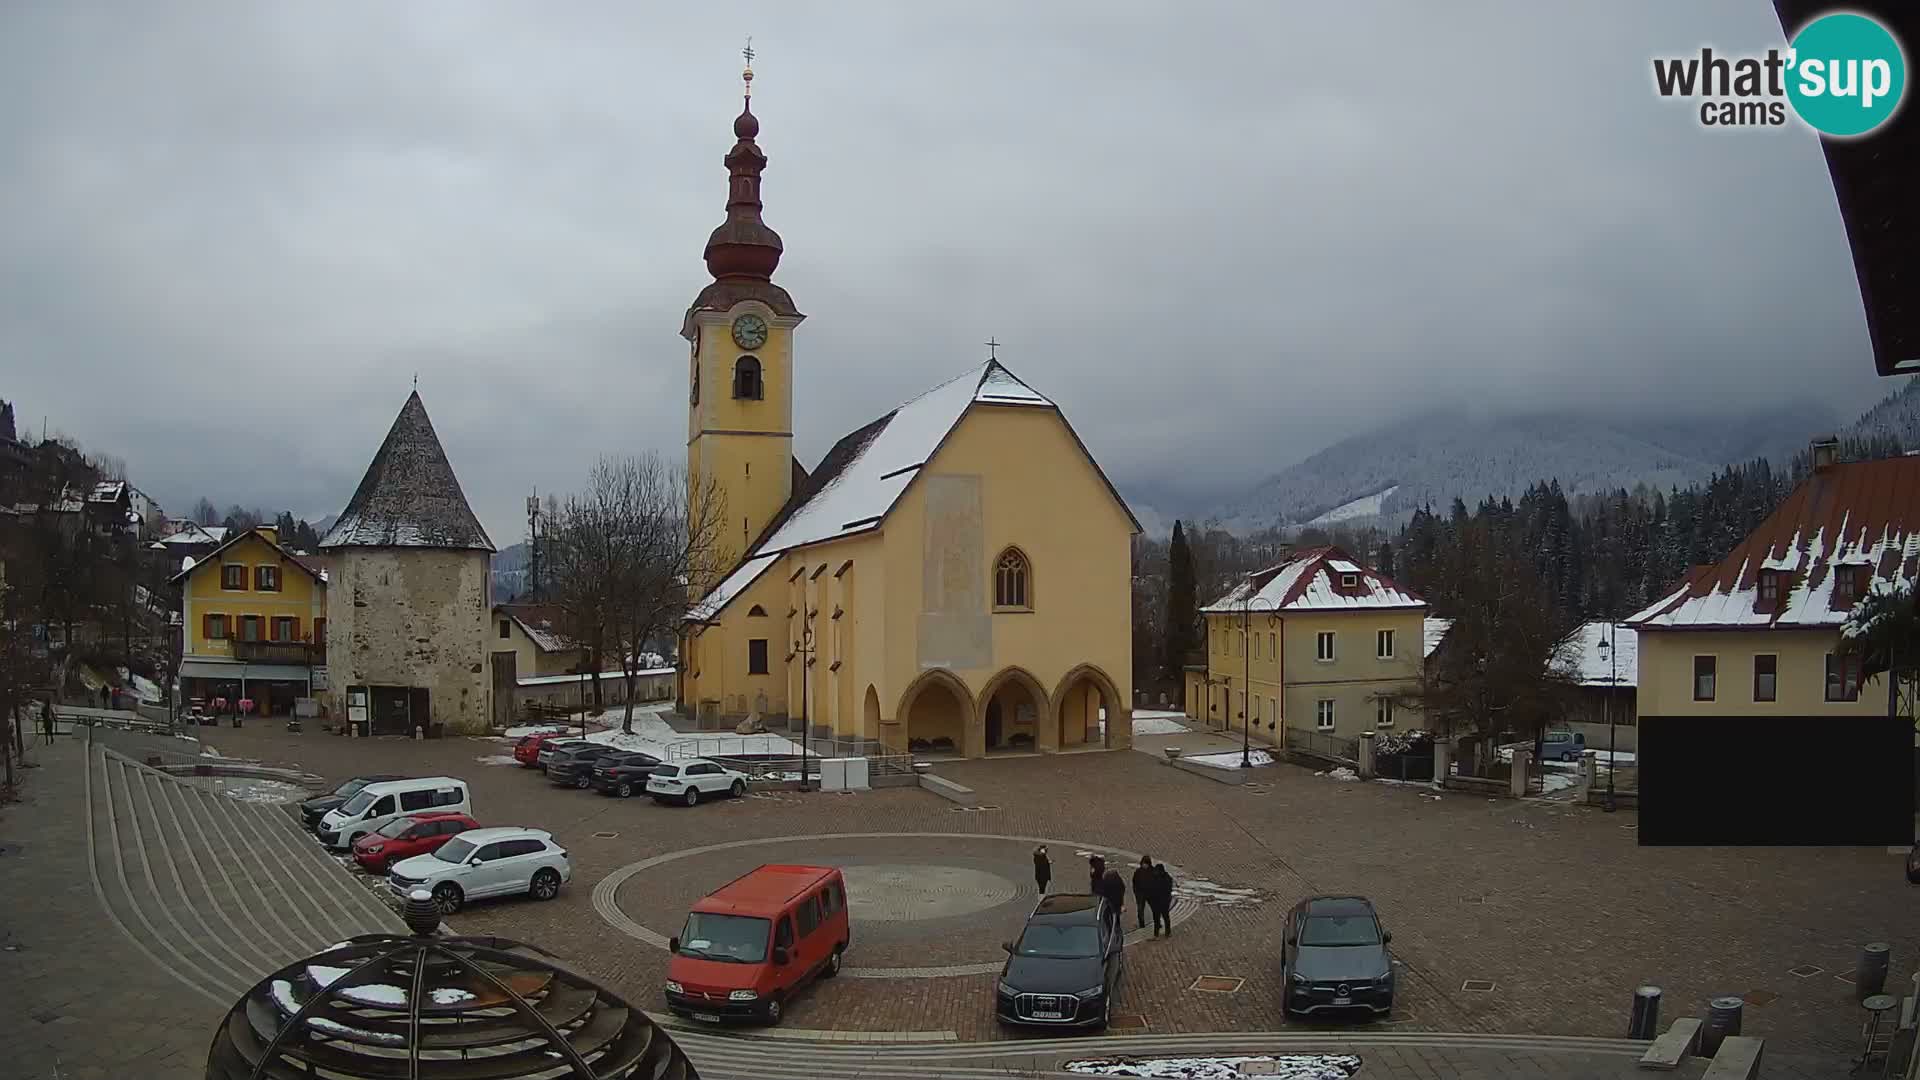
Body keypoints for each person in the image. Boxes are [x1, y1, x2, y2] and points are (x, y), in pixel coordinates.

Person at [1149, 861, 1175, 937]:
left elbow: (1166, 890)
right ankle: (1157, 934)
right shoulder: (1157, 877)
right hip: (1158, 901)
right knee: (1157, 918)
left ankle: (1167, 932)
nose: (1155, 872)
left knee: (1164, 917)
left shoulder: (1166, 878)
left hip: (1163, 901)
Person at [1099, 868, 1126, 934]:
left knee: (1107, 916)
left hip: (1113, 902)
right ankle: (1114, 930)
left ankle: (1112, 930)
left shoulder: (1109, 882)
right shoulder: (1119, 883)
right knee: (1111, 917)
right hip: (1113, 902)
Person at [1132, 856, 1157, 930]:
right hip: (1140, 894)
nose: (1144, 865)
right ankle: (1141, 925)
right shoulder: (1138, 872)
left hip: (1151, 894)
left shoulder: (1153, 871)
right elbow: (1134, 882)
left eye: (1145, 864)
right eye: (1143, 864)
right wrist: (1136, 892)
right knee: (1140, 910)